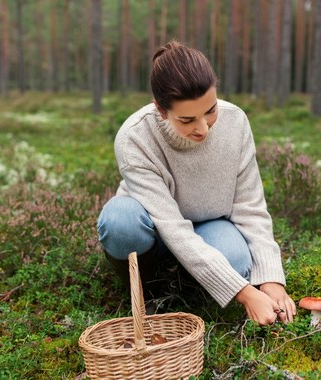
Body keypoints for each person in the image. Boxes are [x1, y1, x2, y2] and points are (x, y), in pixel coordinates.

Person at [96, 41, 296, 326]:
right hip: (155, 230)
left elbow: (250, 207)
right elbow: (174, 230)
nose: (203, 128)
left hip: (210, 224)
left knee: (237, 260)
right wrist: (244, 293)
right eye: (187, 119)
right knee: (119, 222)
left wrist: (270, 280)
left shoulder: (236, 122)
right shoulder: (134, 139)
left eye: (211, 110)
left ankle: (193, 284)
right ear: (161, 110)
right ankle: (148, 291)